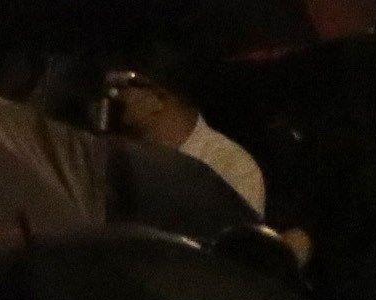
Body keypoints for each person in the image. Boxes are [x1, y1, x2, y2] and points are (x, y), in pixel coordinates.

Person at [107, 61, 269, 221]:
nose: (114, 95)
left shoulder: (231, 165)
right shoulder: (122, 159)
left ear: (158, 96)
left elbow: (234, 240)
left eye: (123, 85)